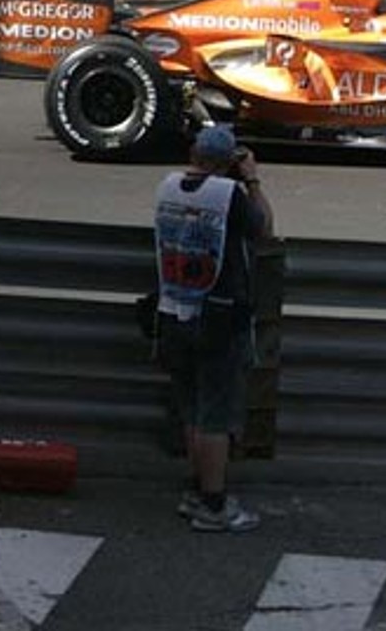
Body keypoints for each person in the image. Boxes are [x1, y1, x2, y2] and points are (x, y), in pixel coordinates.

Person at [153, 124, 275, 533]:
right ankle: (214, 503)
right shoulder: (230, 195)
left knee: (191, 408)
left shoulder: (168, 187)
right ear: (230, 163)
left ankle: (196, 488)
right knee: (215, 415)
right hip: (218, 316)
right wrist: (252, 178)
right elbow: (263, 228)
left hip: (172, 310)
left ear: (192, 152)